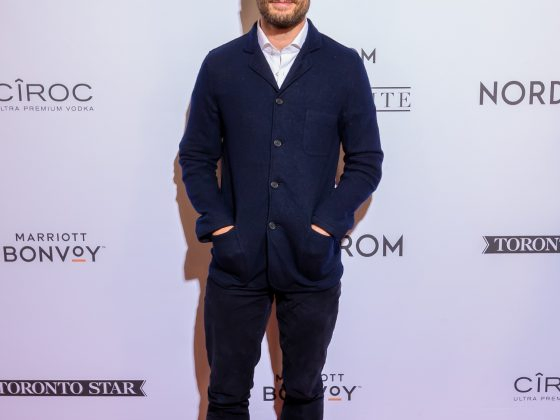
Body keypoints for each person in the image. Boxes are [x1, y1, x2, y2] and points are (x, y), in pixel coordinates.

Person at [178, 0, 383, 418]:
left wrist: (323, 229)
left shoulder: (344, 65)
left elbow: (366, 162)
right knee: (225, 396)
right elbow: (196, 158)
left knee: (304, 393)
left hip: (311, 263)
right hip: (237, 263)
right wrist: (223, 230)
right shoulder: (220, 65)